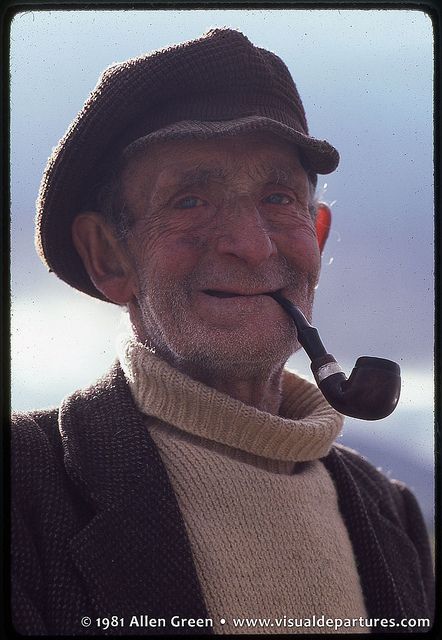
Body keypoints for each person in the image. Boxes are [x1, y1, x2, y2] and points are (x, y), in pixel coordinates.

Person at [11, 28, 434, 636]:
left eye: (278, 198)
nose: (252, 245)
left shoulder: (389, 513)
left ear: (315, 235)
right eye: (190, 201)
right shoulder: (23, 487)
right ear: (108, 256)